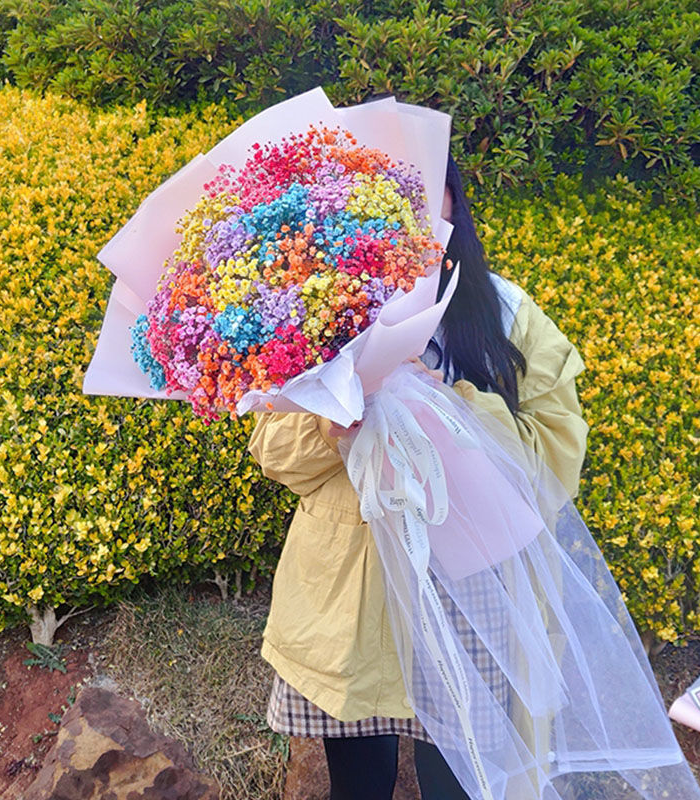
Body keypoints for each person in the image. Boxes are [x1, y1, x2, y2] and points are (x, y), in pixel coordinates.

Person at [247, 152, 591, 799]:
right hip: (353, 596)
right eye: (380, 197)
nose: (406, 215)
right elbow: (274, 451)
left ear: (454, 205)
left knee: (460, 781)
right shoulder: (319, 311)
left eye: (424, 195)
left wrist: (451, 409)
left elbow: (557, 449)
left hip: (472, 591)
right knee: (358, 785)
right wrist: (332, 425)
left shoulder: (504, 314)